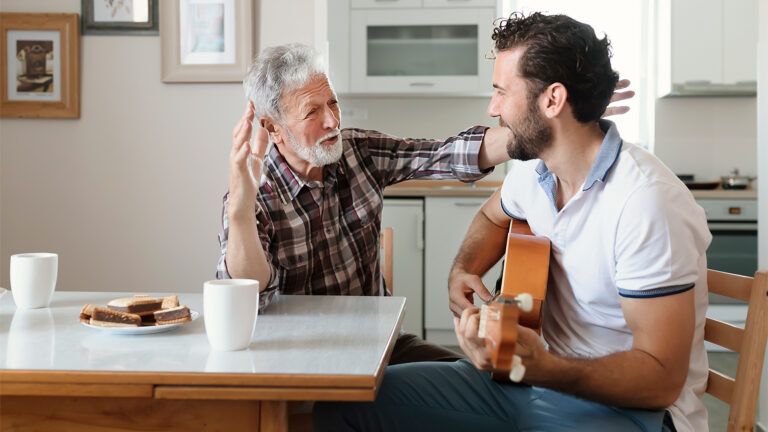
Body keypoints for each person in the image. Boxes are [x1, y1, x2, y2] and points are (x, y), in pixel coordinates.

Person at [314, 12, 710, 432]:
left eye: (502, 92)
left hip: (627, 411)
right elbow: (492, 215)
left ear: (552, 100)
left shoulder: (645, 202)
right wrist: (464, 269)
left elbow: (660, 381)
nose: (493, 107)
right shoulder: (533, 168)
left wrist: (544, 367)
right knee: (343, 406)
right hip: (527, 386)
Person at [217, 43, 633, 365]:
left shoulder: (357, 151)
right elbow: (248, 293)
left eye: (333, 103)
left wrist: (548, 120)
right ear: (272, 127)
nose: (332, 121)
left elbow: (444, 154)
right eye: (312, 111)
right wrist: (240, 208)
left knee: (482, 386)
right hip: (294, 359)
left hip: (378, 346)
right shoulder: (255, 190)